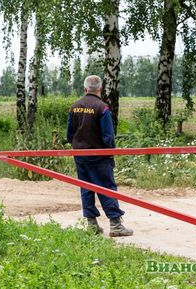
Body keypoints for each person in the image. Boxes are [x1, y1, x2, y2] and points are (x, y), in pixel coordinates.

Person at [67, 75, 133, 237]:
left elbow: (69, 134)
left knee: (86, 189)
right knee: (107, 188)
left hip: (80, 156)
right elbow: (108, 136)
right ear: (100, 89)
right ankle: (116, 225)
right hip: (100, 156)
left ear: (85, 89)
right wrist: (110, 153)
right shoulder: (102, 108)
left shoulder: (74, 107)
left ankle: (91, 225)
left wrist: (77, 145)